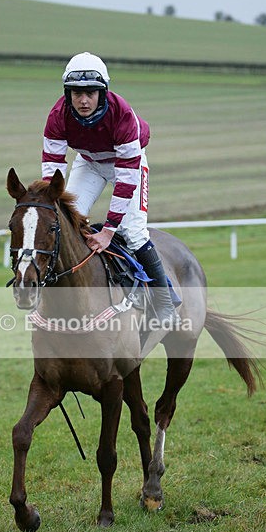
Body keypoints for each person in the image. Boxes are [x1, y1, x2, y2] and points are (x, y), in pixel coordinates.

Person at [41, 51, 178, 326]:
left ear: (103, 92)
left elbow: (126, 182)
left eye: (90, 92)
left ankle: (165, 303)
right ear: (67, 92)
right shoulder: (56, 116)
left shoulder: (123, 115)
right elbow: (51, 173)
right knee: (65, 220)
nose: (83, 100)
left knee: (134, 232)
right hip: (89, 161)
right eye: (76, 92)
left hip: (127, 164)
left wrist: (107, 232)